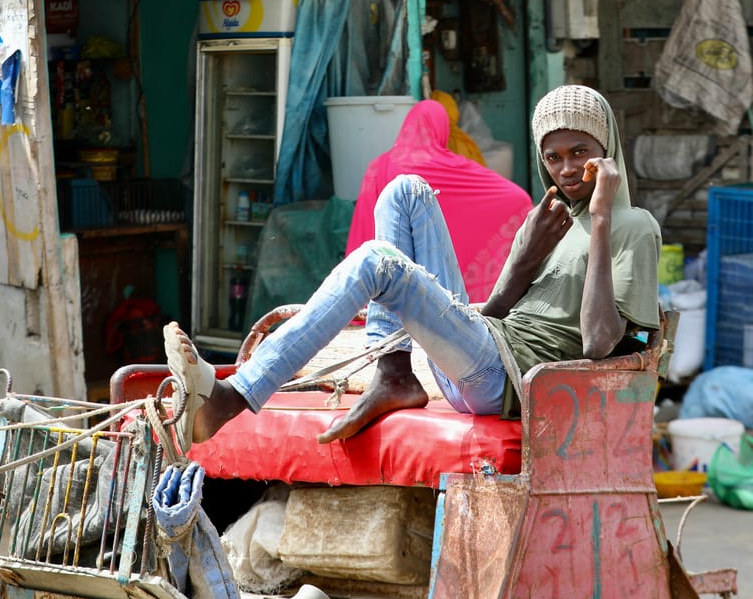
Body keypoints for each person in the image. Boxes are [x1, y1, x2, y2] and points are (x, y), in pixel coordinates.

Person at [165, 84, 661, 455]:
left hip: (510, 380)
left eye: (580, 154)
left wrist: (600, 219)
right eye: (553, 157)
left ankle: (235, 396)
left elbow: (602, 344)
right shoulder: (548, 219)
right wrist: (525, 258)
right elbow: (494, 314)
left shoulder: (633, 227)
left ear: (606, 152)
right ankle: (394, 372)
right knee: (403, 190)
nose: (567, 169)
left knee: (376, 262)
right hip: (484, 350)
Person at [345, 99, 532, 302]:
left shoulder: (378, 167)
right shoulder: (454, 168)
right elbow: (515, 196)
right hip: (439, 278)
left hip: (391, 276)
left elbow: (364, 225)